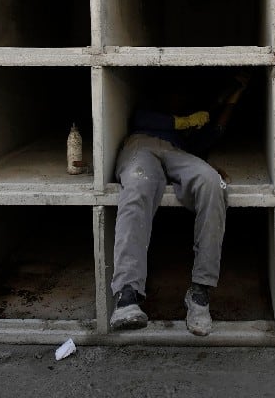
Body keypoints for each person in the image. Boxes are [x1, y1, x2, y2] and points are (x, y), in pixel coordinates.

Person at [108, 71, 252, 336]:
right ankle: (127, 294)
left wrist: (234, 97)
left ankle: (200, 293)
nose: (180, 99)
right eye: (176, 95)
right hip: (143, 148)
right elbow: (139, 118)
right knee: (138, 185)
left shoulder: (187, 133)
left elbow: (213, 134)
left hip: (179, 154)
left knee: (212, 182)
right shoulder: (150, 115)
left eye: (184, 97)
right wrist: (182, 121)